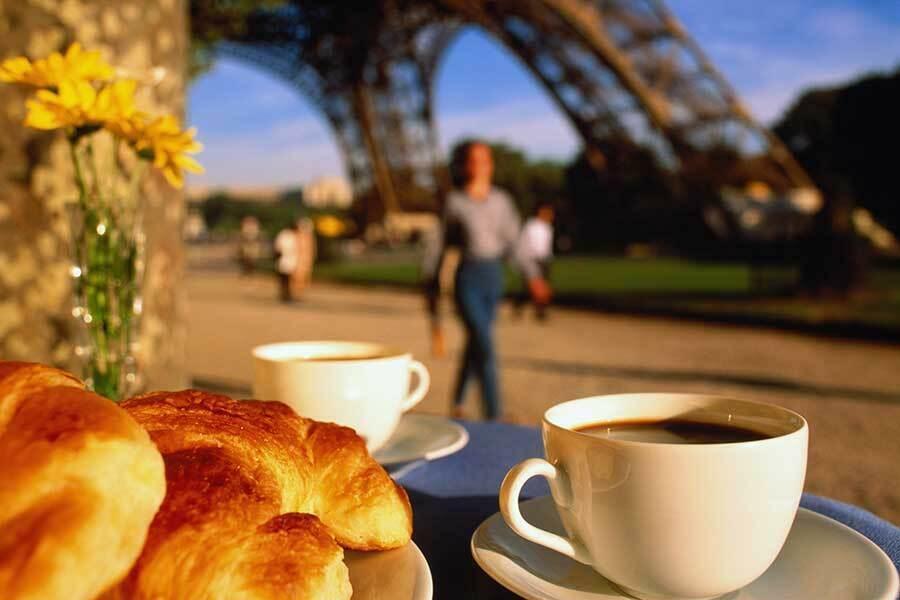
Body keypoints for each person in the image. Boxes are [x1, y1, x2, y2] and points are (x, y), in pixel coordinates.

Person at [422, 140, 551, 420]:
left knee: (475, 343)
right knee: (485, 343)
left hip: (493, 278)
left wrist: (533, 276)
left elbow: (515, 243)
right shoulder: (454, 202)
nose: (480, 165)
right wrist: (430, 281)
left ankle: (457, 403)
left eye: (485, 159)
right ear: (465, 165)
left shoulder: (502, 201)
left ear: (491, 164)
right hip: (467, 277)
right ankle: (495, 415)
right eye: (474, 159)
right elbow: (439, 245)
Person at [514, 201, 555, 321]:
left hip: (544, 259)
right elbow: (524, 243)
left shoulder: (548, 227)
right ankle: (519, 305)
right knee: (530, 286)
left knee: (545, 286)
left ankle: (541, 311)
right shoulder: (531, 226)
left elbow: (547, 245)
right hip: (531, 259)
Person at [274, 222, 299, 303]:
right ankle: (284, 294)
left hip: (290, 260)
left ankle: (287, 294)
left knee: (288, 279)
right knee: (284, 279)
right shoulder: (286, 235)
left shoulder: (293, 235)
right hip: (284, 259)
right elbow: (278, 247)